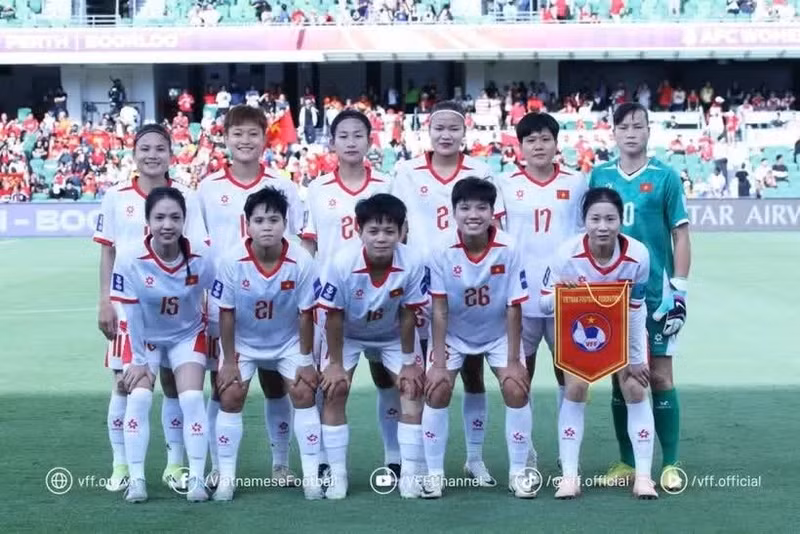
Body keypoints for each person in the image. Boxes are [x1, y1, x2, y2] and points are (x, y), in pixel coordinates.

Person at [391, 100, 506, 487]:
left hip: (469, 287)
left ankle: (473, 458)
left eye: (453, 128)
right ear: (428, 130)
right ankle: (419, 463)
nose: (445, 135)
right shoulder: (406, 171)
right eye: (438, 128)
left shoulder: (481, 170)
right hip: (418, 287)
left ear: (464, 132)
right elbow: (396, 228)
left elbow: (495, 229)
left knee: (473, 374)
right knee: (422, 376)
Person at [93, 124, 206, 493]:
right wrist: (105, 300)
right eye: (145, 148)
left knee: (175, 386)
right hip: (129, 307)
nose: (152, 154)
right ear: (134, 153)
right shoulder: (116, 196)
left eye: (160, 148)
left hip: (176, 310)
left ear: (171, 154)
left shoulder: (185, 194)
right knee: (124, 386)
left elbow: (200, 249)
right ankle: (121, 465)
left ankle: (175, 465)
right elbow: (107, 250)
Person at [197, 104, 304, 489]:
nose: (245, 141)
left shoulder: (283, 186)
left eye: (252, 134)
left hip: (276, 303)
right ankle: (218, 467)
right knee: (223, 385)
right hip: (222, 305)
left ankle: (280, 465)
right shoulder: (208, 188)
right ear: (224, 139)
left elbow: (298, 240)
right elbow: (198, 246)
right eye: (237, 134)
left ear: (265, 138)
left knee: (278, 384)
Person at [590, 102, 691, 491]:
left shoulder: (665, 177)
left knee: (661, 375)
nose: (631, 133)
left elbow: (680, 235)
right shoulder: (599, 175)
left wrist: (679, 291)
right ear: (613, 133)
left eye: (639, 126)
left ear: (649, 130)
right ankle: (627, 461)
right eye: (624, 127)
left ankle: (671, 463)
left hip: (654, 295)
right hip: (608, 295)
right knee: (621, 377)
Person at [540, 187, 657, 499]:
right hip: (580, 334)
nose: (602, 226)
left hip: (621, 331)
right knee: (576, 388)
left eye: (610, 218)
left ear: (621, 220)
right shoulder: (566, 254)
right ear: (584, 221)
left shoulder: (638, 255)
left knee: (634, 386)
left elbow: (636, 308)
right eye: (595, 219)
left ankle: (644, 477)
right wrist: (559, 293)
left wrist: (634, 358)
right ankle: (569, 477)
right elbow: (542, 304)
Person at [421, 178, 534, 499]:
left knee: (515, 388)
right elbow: (439, 309)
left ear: (492, 213)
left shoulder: (510, 248)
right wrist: (439, 363)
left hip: (498, 332)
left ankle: (517, 473)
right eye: (465, 207)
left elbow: (514, 307)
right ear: (453, 212)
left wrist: (513, 362)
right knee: (438, 388)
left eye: (481, 207)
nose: (473, 214)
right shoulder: (440, 249)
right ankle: (434, 475)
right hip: (454, 333)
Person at [300, 109, 397, 479]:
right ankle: (326, 461)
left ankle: (395, 459)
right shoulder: (317, 188)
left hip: (381, 297)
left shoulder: (386, 184)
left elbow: (400, 239)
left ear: (369, 141)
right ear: (332, 142)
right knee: (332, 381)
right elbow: (309, 245)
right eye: (344, 135)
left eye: (359, 135)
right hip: (333, 303)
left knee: (387, 377)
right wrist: (306, 292)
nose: (351, 141)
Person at [211, 187, 321, 501]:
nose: (267, 226)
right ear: (247, 225)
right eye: (259, 220)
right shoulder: (232, 260)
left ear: (285, 223)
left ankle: (307, 475)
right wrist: (229, 360)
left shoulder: (301, 260)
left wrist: (305, 360)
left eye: (274, 219)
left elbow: (306, 314)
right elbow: (226, 313)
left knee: (302, 392)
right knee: (230, 395)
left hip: (287, 342)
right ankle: (226, 479)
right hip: (244, 343)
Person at [316, 193, 428, 499]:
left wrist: (408, 361)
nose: (381, 239)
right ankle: (337, 474)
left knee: (412, 387)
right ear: (358, 230)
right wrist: (336, 364)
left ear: (402, 231)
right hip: (348, 333)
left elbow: (408, 313)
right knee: (335, 389)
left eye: (390, 231)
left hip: (392, 333)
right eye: (374, 231)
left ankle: (410, 471)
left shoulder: (413, 261)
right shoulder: (340, 262)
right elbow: (334, 316)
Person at [496, 112, 587, 473]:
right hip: (519, 297)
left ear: (556, 143)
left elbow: (585, 233)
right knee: (521, 379)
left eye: (545, 139)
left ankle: (569, 457)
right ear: (520, 147)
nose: (538, 146)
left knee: (571, 378)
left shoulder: (577, 181)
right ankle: (526, 456)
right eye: (531, 140)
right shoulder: (505, 184)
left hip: (566, 296)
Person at [111, 187, 214, 503]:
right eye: (159, 217)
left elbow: (216, 297)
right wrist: (139, 359)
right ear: (147, 221)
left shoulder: (200, 255)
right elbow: (130, 312)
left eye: (174, 217)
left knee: (193, 399)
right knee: (139, 398)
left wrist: (217, 341)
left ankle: (196, 479)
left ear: (184, 221)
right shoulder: (130, 258)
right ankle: (137, 480)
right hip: (145, 338)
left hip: (187, 334)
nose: (167, 224)